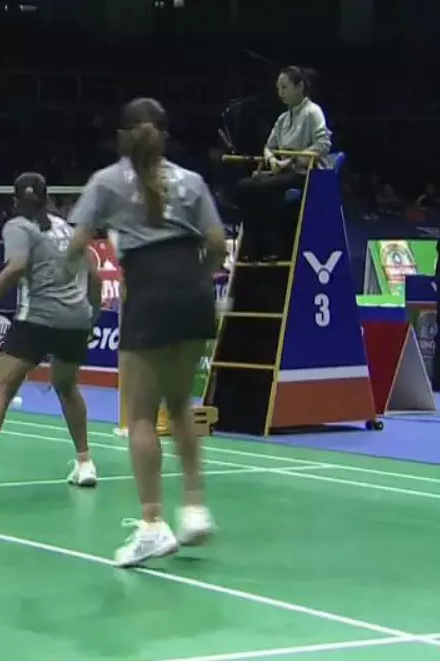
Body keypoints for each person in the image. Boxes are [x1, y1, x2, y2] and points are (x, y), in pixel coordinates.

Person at [65, 98, 226, 568]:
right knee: (180, 404)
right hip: (194, 292)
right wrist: (196, 279)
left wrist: (69, 268)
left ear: (122, 135)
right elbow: (218, 244)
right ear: (164, 135)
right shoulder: (192, 181)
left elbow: (77, 245)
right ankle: (194, 508)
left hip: (148, 292)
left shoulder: (106, 181)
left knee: (140, 415)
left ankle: (153, 524)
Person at [0, 172, 102, 497]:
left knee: (2, 389)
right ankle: (85, 463)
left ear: (15, 200)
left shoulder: (18, 226)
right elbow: (95, 275)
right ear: (47, 198)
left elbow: (17, 266)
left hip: (36, 319)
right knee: (67, 387)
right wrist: (92, 316)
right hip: (75, 322)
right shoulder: (66, 228)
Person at [235, 66, 332, 261]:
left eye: (284, 87)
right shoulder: (283, 119)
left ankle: (274, 248)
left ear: (300, 87)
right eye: (278, 88)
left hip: (306, 174)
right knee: (244, 186)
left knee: (262, 188)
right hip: (284, 172)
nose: (280, 92)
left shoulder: (313, 112)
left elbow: (323, 144)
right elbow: (268, 147)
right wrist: (273, 161)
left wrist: (292, 160)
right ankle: (253, 249)